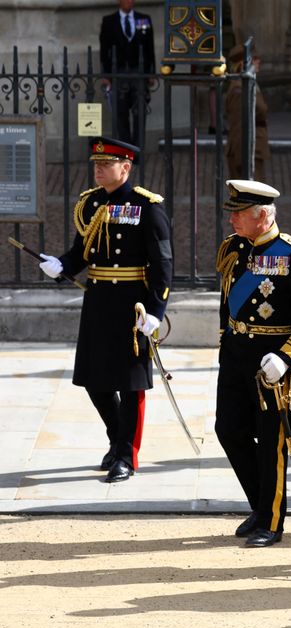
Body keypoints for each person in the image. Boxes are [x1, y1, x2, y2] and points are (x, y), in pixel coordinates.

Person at [38, 137, 172, 484]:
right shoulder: (90, 202)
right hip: (98, 300)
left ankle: (126, 455)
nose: (98, 169)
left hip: (133, 303)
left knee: (129, 384)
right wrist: (61, 265)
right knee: (94, 379)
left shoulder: (147, 206)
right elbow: (81, 251)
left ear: (125, 168)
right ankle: (117, 438)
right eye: (96, 163)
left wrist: (156, 310)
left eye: (106, 164)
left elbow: (162, 263)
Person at [214, 179, 291, 547]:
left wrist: (285, 357)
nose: (232, 221)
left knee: (272, 442)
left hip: (273, 366)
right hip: (235, 358)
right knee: (229, 430)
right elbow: (226, 304)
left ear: (262, 216)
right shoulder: (233, 249)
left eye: (240, 214)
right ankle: (261, 506)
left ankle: (271, 522)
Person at [99, 0, 155, 148]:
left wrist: (151, 73)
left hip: (138, 72)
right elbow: (104, 50)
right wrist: (105, 74)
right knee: (120, 113)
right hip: (119, 72)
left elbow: (150, 48)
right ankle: (126, 148)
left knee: (140, 112)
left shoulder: (143, 19)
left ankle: (138, 149)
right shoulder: (109, 21)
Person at [224, 44, 270, 181]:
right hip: (246, 153)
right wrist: (242, 159)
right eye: (254, 58)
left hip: (254, 150)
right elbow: (239, 126)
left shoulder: (250, 84)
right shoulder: (239, 90)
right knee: (250, 198)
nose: (258, 61)